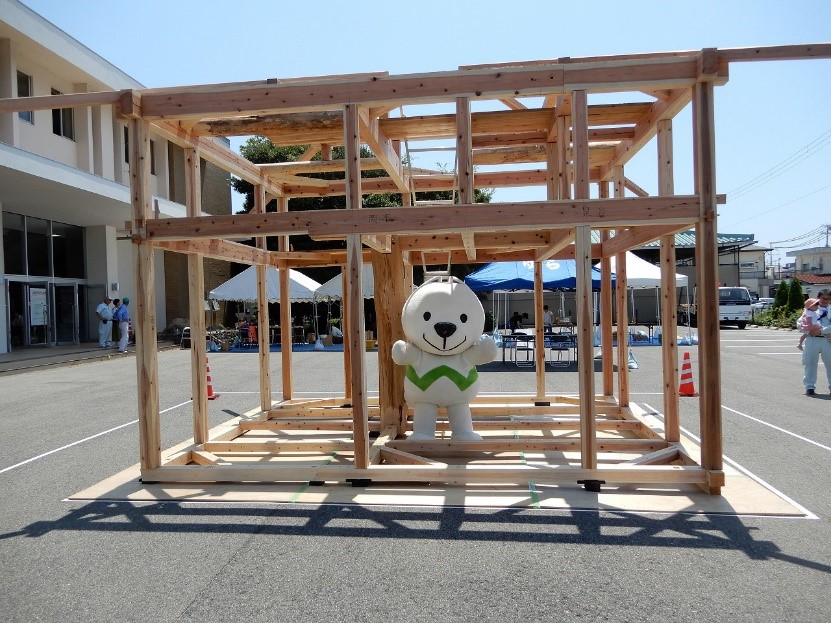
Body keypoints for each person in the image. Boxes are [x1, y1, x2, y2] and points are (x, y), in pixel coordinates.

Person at [802, 289, 831, 396]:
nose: (826, 301)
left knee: (830, 364)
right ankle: (809, 386)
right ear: (819, 298)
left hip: (827, 340)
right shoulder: (811, 308)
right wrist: (809, 330)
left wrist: (821, 331)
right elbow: (800, 322)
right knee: (810, 363)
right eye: (823, 298)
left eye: (828, 298)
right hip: (812, 339)